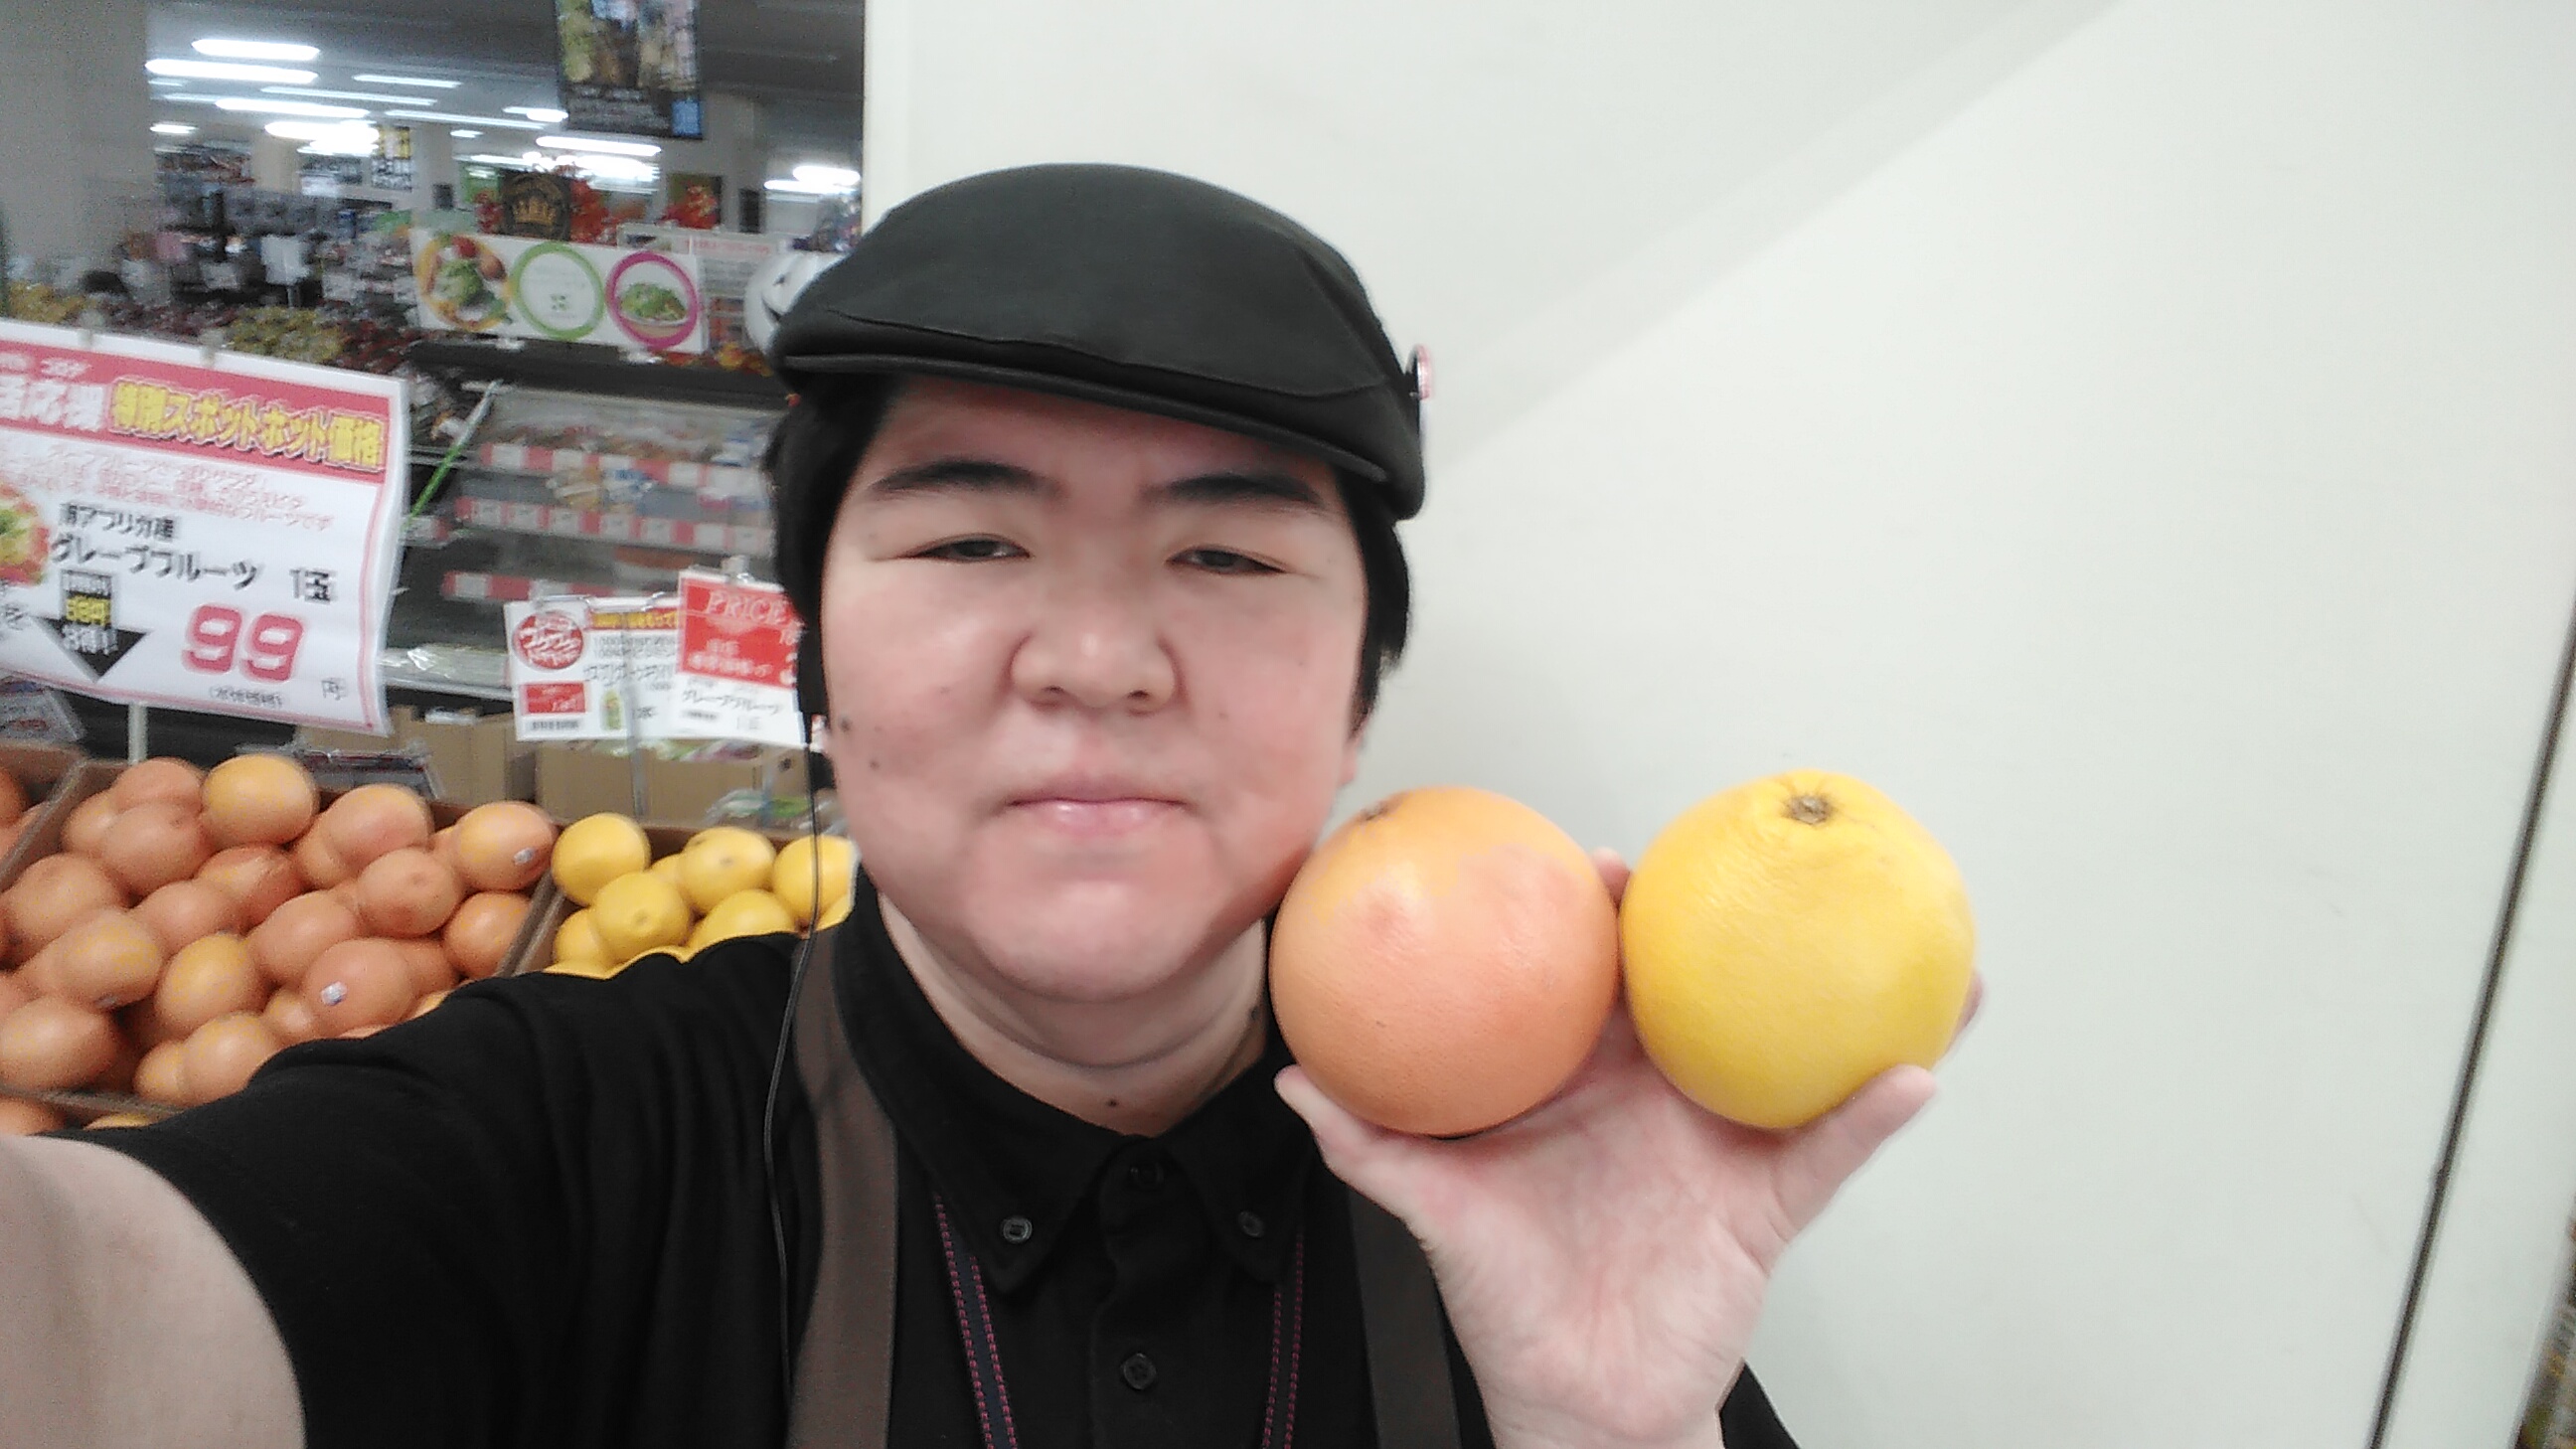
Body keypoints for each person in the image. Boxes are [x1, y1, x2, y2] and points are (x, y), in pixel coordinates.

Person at [0, 164, 1960, 1449]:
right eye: (970, 539)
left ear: (1361, 697)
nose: (1097, 658)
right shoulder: (570, 1149)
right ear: (815, 665)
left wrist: (1609, 1430)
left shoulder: (1523, 1199)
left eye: (1226, 556)